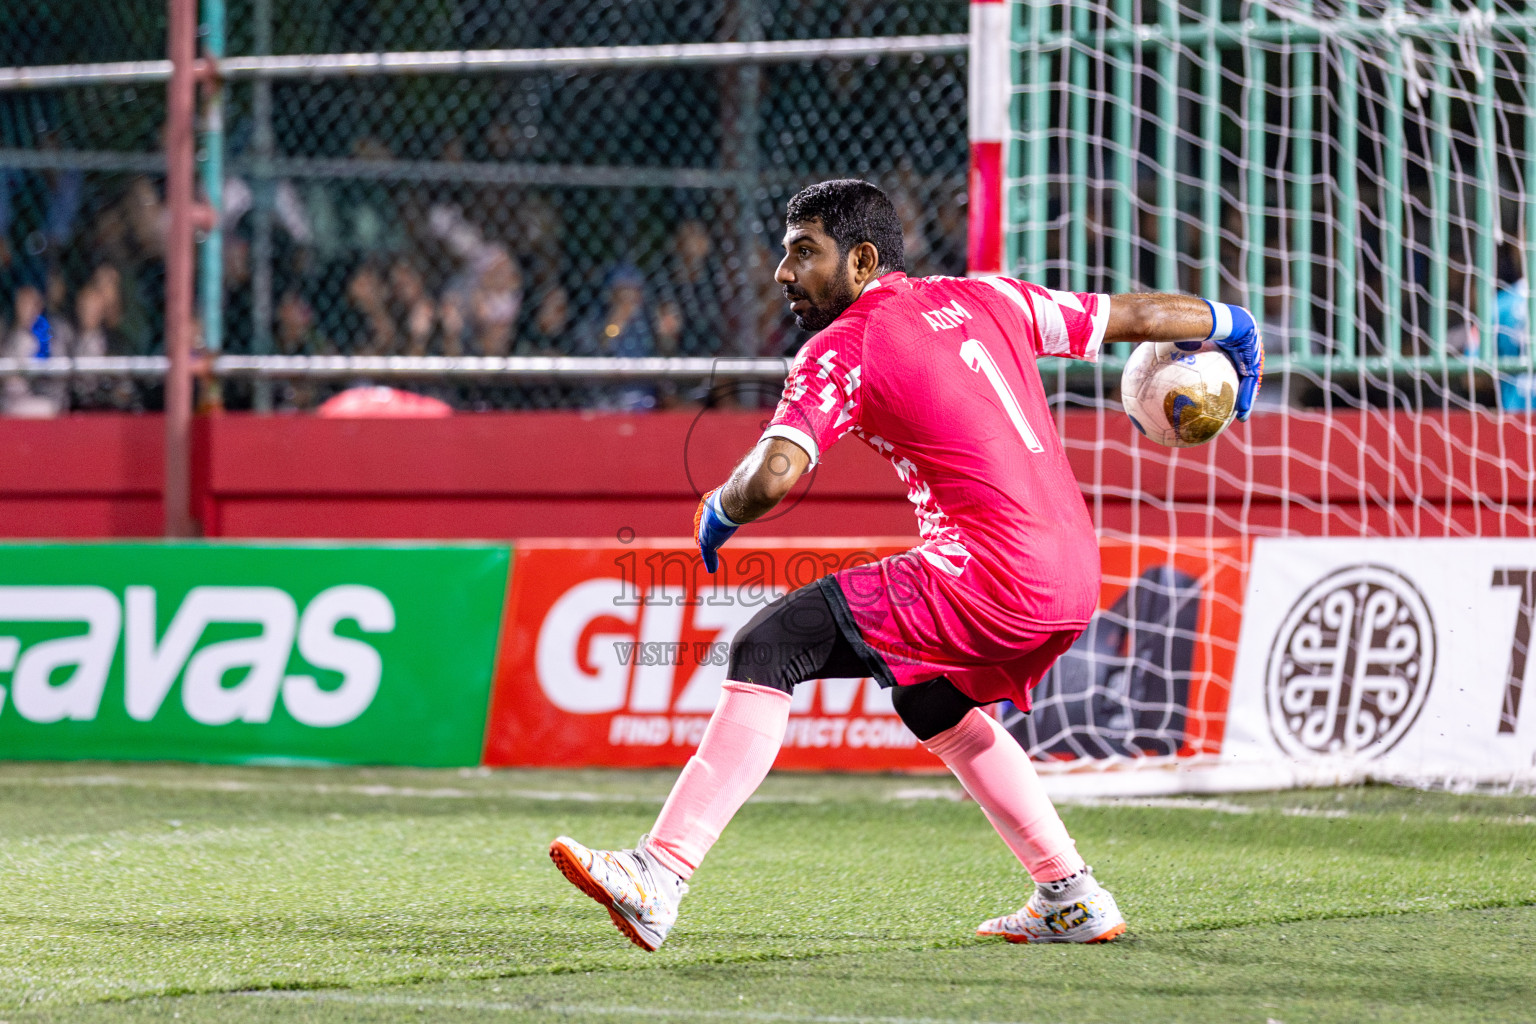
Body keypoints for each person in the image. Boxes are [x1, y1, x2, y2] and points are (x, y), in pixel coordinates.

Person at [549, 179, 1263, 951]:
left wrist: (720, 505)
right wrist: (1233, 324)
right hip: (1073, 576)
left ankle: (661, 872)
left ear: (860, 259)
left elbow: (777, 476)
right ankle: (1071, 894)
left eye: (803, 253)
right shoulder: (991, 297)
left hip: (988, 575)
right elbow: (1136, 316)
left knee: (767, 648)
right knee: (930, 702)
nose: (784, 274)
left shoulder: (841, 345)